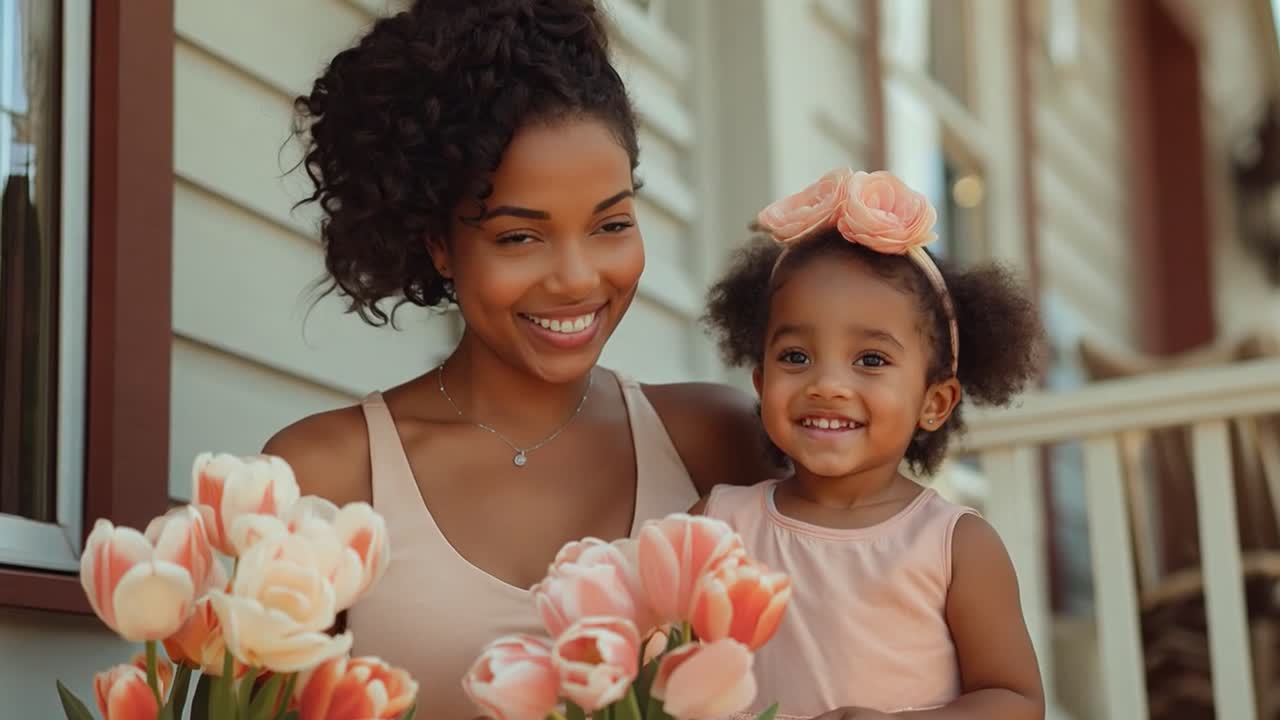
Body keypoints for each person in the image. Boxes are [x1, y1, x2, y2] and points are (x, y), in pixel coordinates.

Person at [264, 2, 773, 716]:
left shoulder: (719, 442)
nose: (576, 278)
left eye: (611, 224)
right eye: (519, 238)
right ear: (439, 243)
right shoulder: (327, 475)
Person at [697, 168, 1046, 719]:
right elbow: (655, 669)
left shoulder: (955, 546)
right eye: (795, 357)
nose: (827, 384)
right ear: (761, 384)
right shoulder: (716, 527)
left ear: (934, 402)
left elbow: (1016, 701)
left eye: (871, 360)